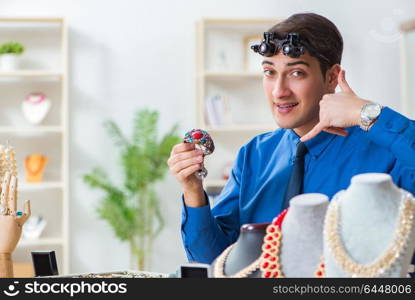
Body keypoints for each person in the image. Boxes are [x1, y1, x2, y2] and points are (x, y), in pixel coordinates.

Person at [167, 13, 415, 264]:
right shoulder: (253, 155)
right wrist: (193, 190)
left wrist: (369, 114)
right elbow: (216, 262)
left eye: (296, 73)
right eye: (269, 72)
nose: (279, 91)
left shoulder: (387, 151)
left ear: (331, 78)